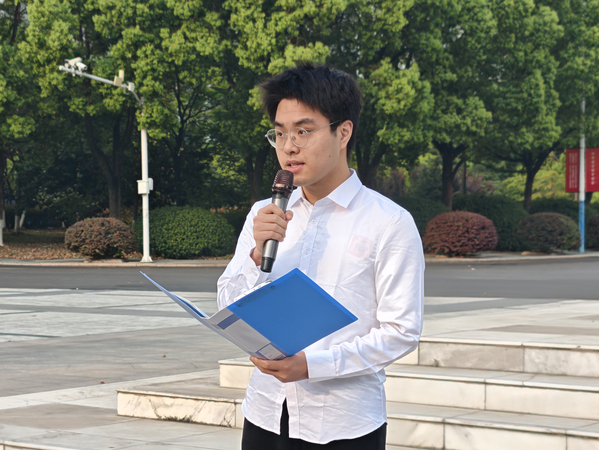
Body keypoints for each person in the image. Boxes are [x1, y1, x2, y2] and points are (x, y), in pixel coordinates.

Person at [217, 63, 424, 449]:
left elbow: (402, 332)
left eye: (303, 131)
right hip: (265, 412)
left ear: (343, 132)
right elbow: (228, 304)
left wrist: (312, 366)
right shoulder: (265, 214)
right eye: (280, 133)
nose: (288, 147)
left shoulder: (388, 222)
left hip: (343, 422)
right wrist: (256, 254)